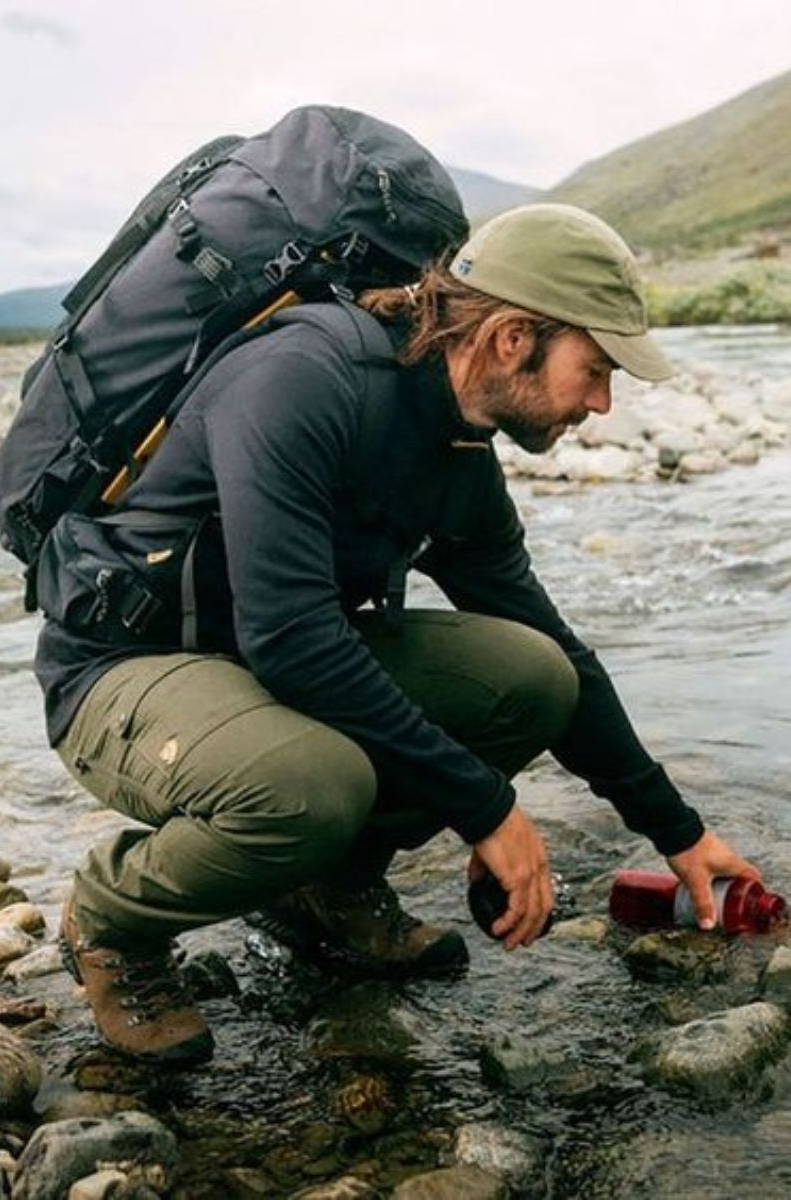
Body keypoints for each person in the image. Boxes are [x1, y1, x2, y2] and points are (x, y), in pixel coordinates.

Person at [44, 203, 759, 1066]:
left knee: (533, 679)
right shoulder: (305, 378)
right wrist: (486, 809)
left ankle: (330, 888)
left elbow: (555, 645)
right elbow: (293, 638)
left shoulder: (459, 452)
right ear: (510, 338)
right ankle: (113, 917)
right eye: (595, 368)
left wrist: (676, 831)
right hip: (130, 669)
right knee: (312, 785)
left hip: (265, 674)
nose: (602, 404)